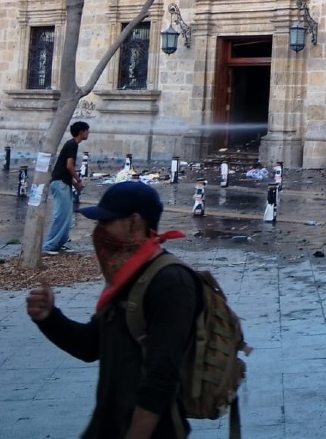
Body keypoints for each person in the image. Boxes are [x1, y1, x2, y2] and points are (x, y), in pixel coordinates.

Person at [26, 181, 199, 438]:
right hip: (107, 425)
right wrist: (50, 318)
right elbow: (91, 345)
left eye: (107, 221)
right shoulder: (125, 276)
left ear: (134, 222)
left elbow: (162, 376)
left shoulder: (171, 281)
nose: (99, 230)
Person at [44, 121, 89, 255]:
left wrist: (74, 184)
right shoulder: (72, 145)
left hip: (64, 182)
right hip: (60, 183)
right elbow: (69, 165)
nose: (88, 133)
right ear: (81, 131)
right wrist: (78, 180)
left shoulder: (71, 144)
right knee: (61, 215)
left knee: (67, 216)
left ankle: (59, 243)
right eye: (87, 130)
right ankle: (50, 245)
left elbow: (65, 168)